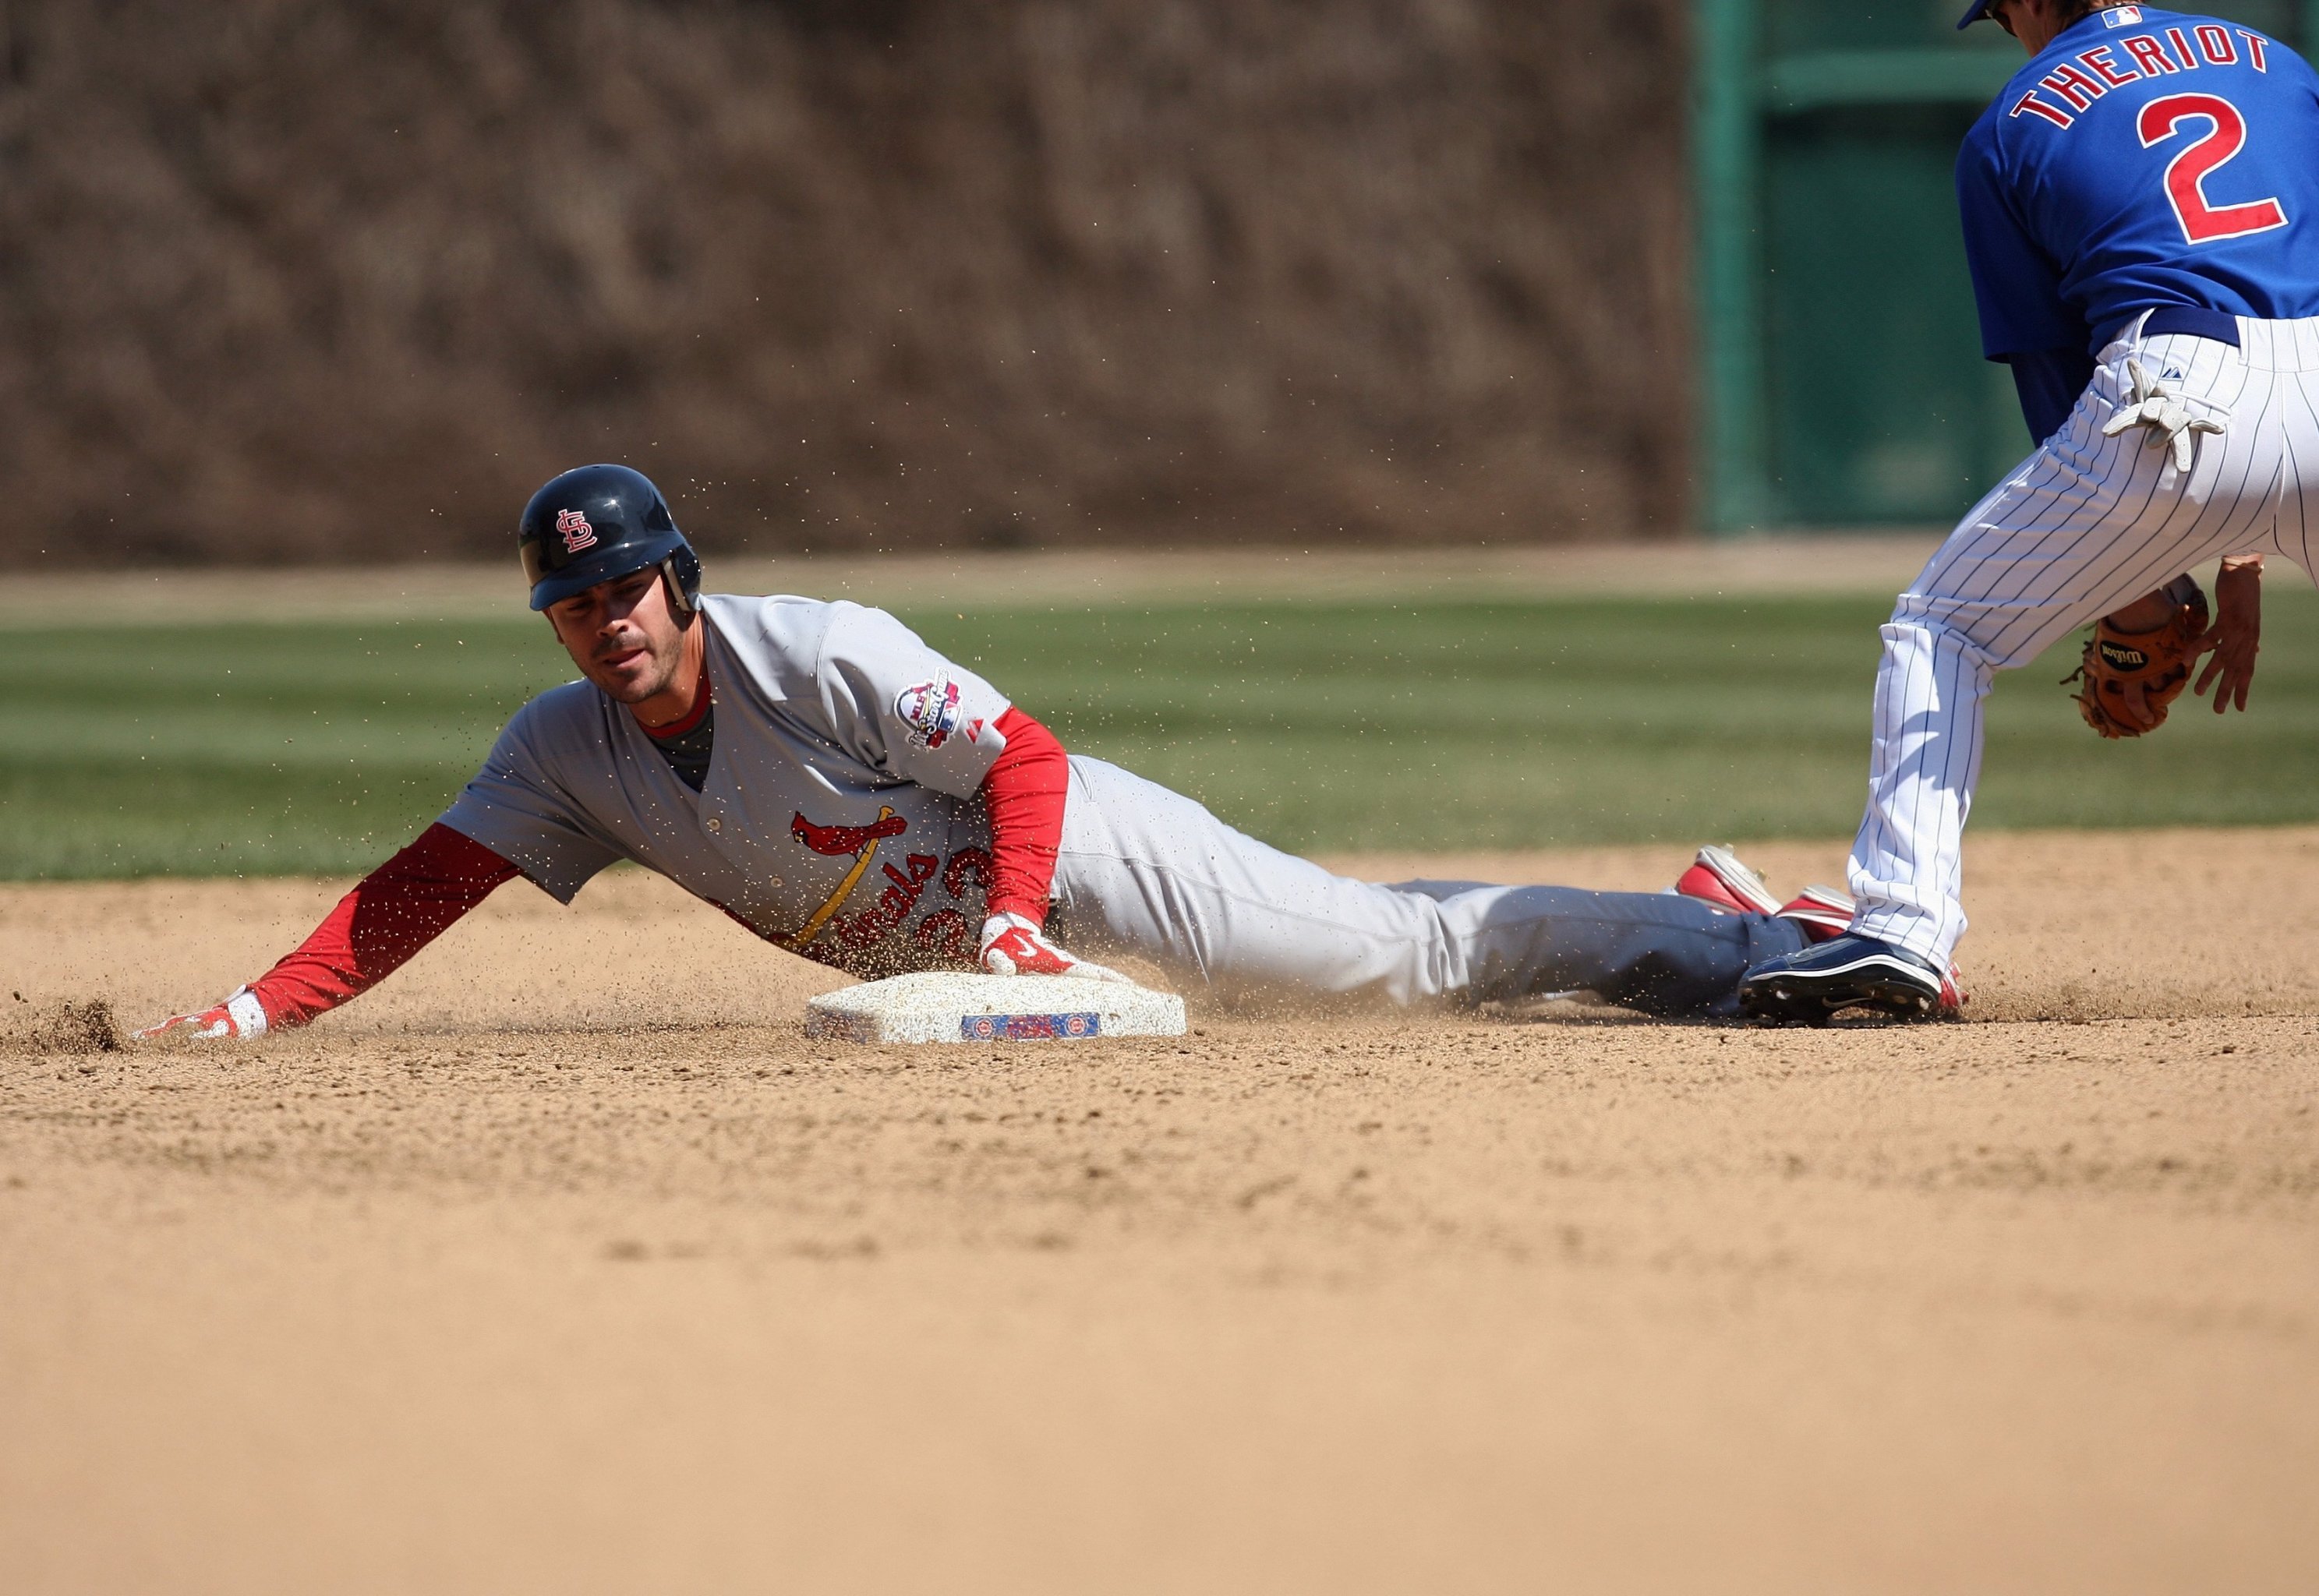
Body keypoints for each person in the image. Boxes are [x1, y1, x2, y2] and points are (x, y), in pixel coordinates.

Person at [136, 466, 1870, 1042]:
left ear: (679, 576)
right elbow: (427, 883)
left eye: (624, 584)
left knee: (1390, 960)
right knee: (1364, 946)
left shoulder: (811, 647)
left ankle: (1737, 936)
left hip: (1078, 856)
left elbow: (1025, 755)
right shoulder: (568, 748)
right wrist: (253, 1011)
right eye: (573, 603)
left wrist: (1023, 921)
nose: (606, 619)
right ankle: (1697, 912)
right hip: (983, 930)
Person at [1740, 0, 2319, 1022]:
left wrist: (2140, 586)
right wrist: (2246, 549)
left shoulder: (2010, 126)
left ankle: (1903, 929)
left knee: (1943, 627)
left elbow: (2061, 397)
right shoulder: (2273, 60)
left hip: (2178, 389)